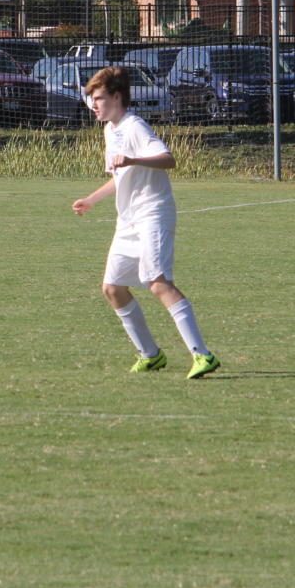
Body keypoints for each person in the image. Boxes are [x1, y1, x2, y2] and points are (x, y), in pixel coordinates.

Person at [72, 66, 219, 378]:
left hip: (153, 214)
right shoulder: (109, 130)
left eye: (98, 99)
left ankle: (203, 355)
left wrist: (134, 158)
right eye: (91, 100)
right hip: (128, 222)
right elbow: (120, 176)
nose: (94, 105)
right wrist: (91, 199)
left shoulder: (134, 125)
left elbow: (168, 159)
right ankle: (150, 354)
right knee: (112, 289)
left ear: (116, 96)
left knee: (157, 282)